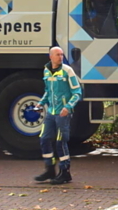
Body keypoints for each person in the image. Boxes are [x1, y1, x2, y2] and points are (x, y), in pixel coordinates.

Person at [35, 46, 83, 185]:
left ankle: (65, 173)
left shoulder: (67, 71)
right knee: (44, 139)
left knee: (60, 142)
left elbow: (77, 92)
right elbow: (48, 91)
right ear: (50, 56)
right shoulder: (46, 70)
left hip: (63, 113)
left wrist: (68, 107)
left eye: (62, 54)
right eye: (57, 54)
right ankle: (50, 169)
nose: (60, 57)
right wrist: (40, 103)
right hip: (51, 112)